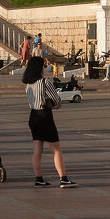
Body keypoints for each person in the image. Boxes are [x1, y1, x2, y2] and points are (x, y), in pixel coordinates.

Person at [22, 56, 76, 188]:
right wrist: (56, 104)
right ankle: (63, 178)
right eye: (43, 65)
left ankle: (38, 178)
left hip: (33, 115)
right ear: (40, 68)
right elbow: (56, 99)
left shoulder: (28, 84)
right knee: (56, 149)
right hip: (44, 116)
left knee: (37, 149)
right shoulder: (45, 82)